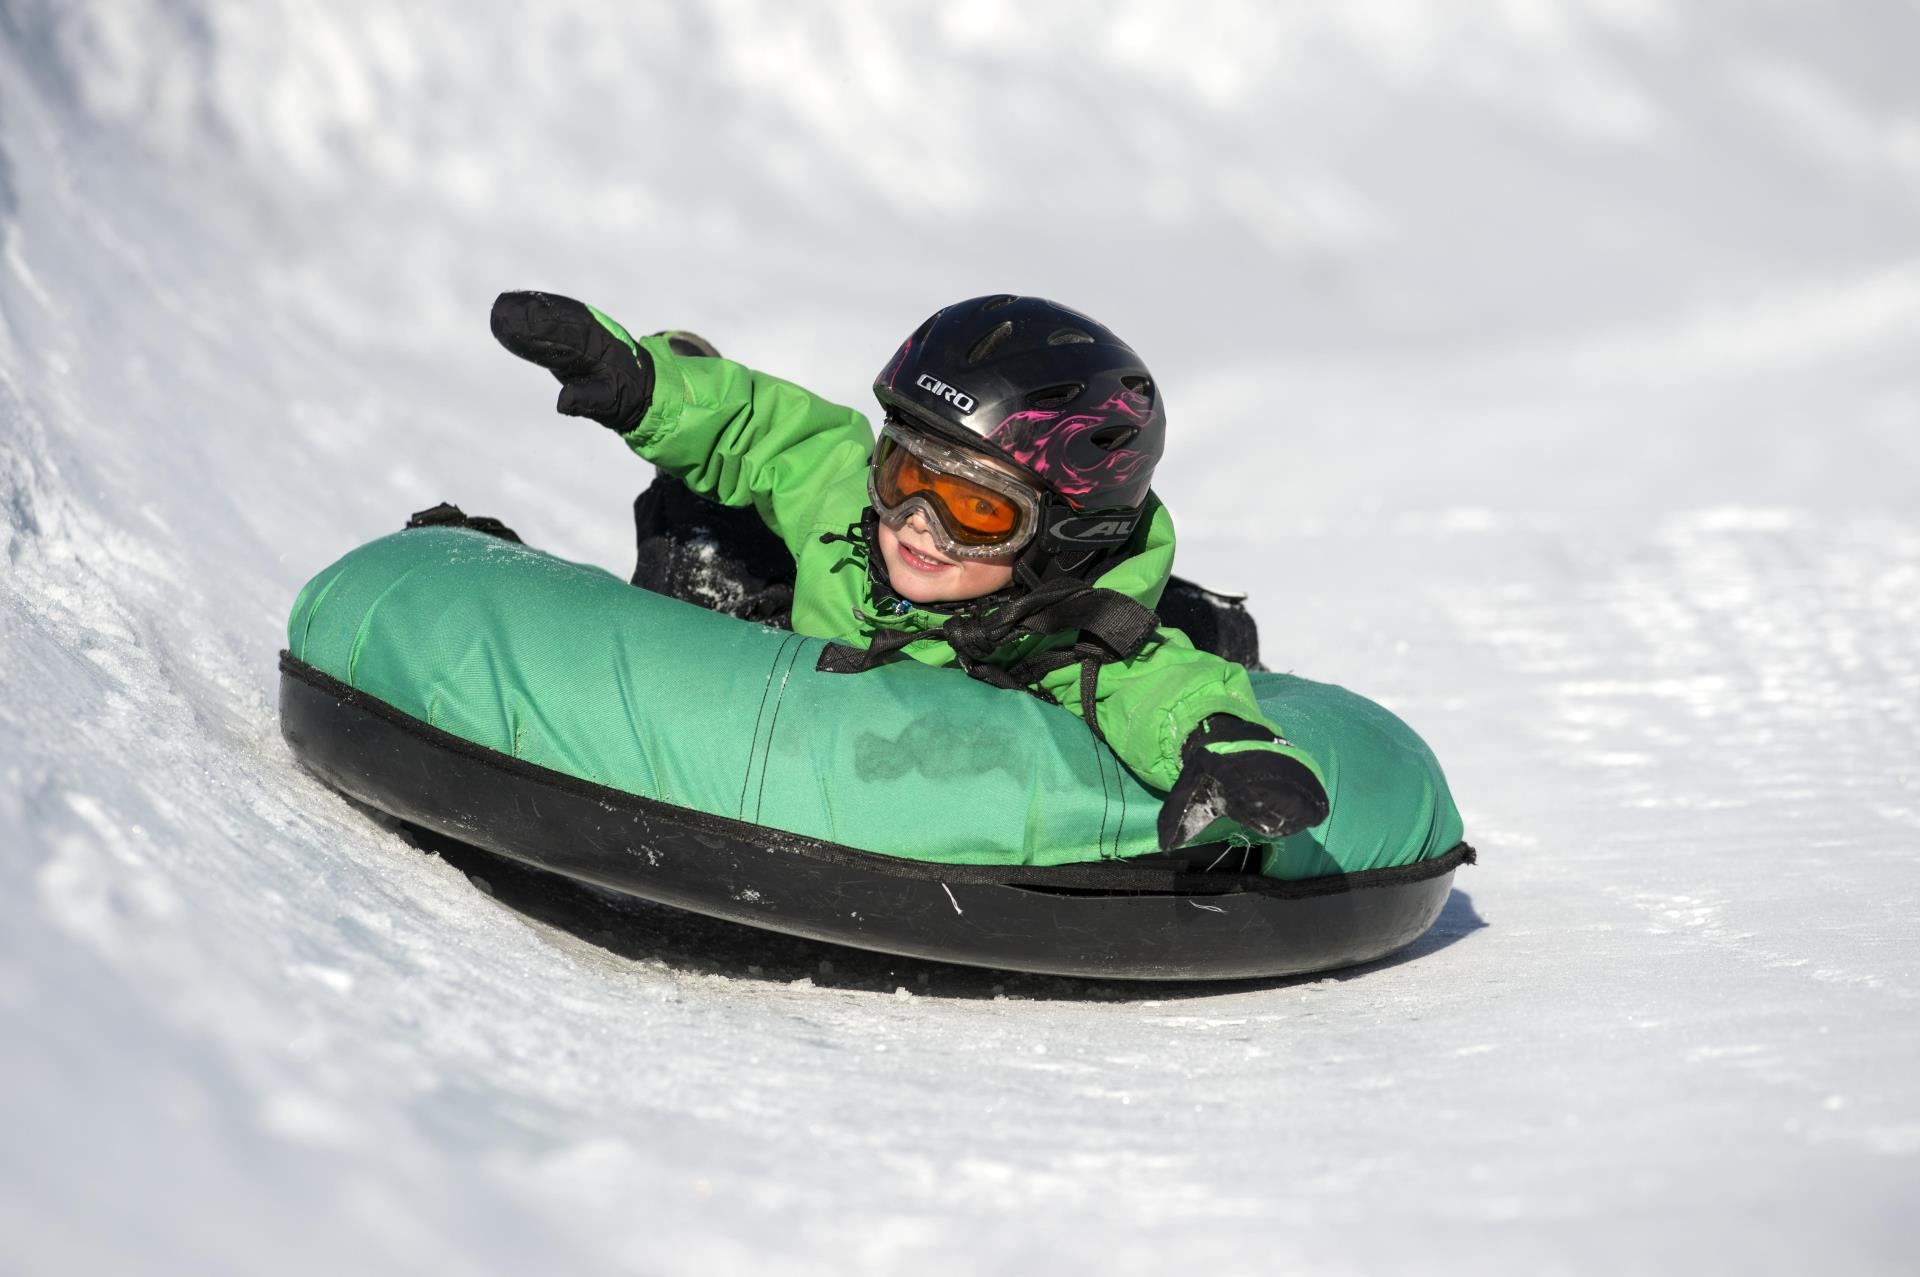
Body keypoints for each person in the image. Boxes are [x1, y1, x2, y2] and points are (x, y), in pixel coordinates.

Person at [490, 290, 1328, 859]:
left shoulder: (1066, 644)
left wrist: (1232, 745)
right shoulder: (854, 508)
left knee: (1183, 640)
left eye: (980, 510)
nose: (918, 526)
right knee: (698, 516)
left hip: (1002, 665)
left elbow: (1162, 685)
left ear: (1064, 538)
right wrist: (643, 387)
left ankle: (1204, 613)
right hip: (829, 627)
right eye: (906, 474)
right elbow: (767, 432)